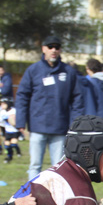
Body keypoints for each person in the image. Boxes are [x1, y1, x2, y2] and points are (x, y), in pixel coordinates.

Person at [15, 35, 84, 180]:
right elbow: (22, 96)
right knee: (35, 165)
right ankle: (33, 197)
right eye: (50, 47)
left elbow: (77, 99)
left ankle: (58, 199)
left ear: (60, 50)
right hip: (37, 126)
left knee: (59, 167)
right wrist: (20, 121)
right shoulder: (33, 70)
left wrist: (75, 124)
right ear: (43, 49)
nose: (53, 50)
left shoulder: (68, 72)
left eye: (57, 47)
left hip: (60, 128)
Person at [0, 98, 22, 164]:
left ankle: (18, 151)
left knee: (13, 143)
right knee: (7, 145)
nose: (2, 105)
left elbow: (15, 120)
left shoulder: (14, 111)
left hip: (15, 131)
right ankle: (9, 157)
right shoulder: (2, 112)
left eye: (3, 104)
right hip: (8, 131)